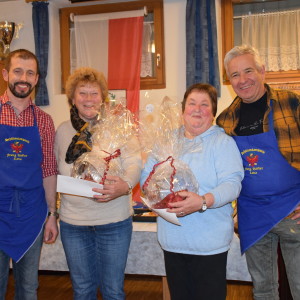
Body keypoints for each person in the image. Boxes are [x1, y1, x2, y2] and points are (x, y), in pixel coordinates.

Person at [141, 83, 244, 300]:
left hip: (209, 245)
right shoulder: (165, 142)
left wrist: (203, 201)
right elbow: (146, 180)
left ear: (213, 113)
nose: (197, 109)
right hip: (173, 242)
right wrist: (158, 197)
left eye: (204, 104)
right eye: (192, 103)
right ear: (182, 111)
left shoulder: (222, 143)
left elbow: (232, 185)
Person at [216, 45, 300, 300]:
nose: (243, 80)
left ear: (262, 70)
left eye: (248, 71)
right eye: (235, 75)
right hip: (252, 213)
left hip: (293, 209)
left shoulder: (290, 101)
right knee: (263, 289)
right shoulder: (225, 120)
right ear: (229, 81)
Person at [55, 67, 142, 300]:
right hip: (73, 224)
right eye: (82, 93)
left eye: (94, 93)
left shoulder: (118, 127)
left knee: (113, 291)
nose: (89, 99)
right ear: (72, 98)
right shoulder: (62, 131)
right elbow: (54, 172)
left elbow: (135, 162)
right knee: (82, 291)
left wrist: (125, 185)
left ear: (102, 97)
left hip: (113, 222)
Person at [0, 49, 58, 299]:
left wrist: (52, 215)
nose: (23, 78)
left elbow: (48, 170)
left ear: (36, 80)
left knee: (28, 288)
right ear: (5, 74)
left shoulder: (44, 121)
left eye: (30, 73)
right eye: (18, 71)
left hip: (32, 214)